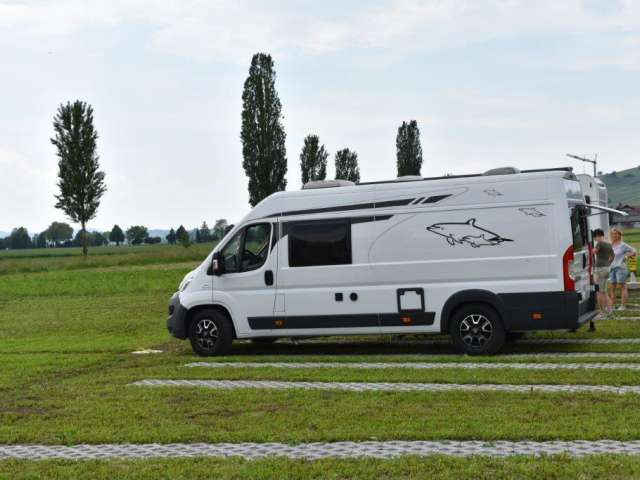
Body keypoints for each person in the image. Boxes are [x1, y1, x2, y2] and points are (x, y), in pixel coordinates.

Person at [608, 228, 637, 311]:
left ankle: (623, 306)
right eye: (613, 234)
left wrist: (626, 256)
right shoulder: (610, 245)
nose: (614, 235)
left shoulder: (623, 245)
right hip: (612, 268)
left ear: (619, 235)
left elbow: (634, 251)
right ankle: (612, 305)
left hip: (620, 268)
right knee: (612, 287)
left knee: (622, 286)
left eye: (616, 234)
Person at [592, 229, 613, 322]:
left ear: (597, 236)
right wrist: (608, 263)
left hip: (600, 269)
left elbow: (593, 252)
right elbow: (613, 256)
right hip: (607, 268)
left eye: (594, 237)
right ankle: (609, 310)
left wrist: (591, 249)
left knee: (599, 292)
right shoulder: (608, 244)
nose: (595, 239)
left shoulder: (599, 243)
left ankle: (601, 312)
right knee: (604, 291)